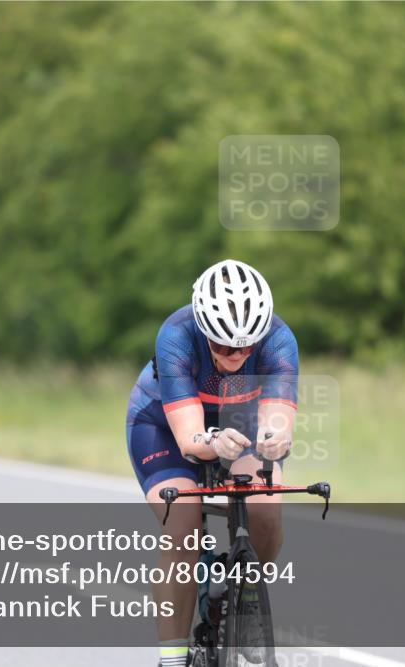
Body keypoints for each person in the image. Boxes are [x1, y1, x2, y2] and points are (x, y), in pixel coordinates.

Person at [126, 259, 298, 667]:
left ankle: (233, 594)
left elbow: (277, 421)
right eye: (222, 347)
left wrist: (276, 439)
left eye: (246, 347)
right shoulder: (177, 335)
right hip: (163, 426)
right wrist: (213, 441)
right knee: (183, 528)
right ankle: (172, 659)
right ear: (204, 330)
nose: (236, 355)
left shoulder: (278, 340)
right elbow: (190, 440)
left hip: (239, 422)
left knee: (266, 512)